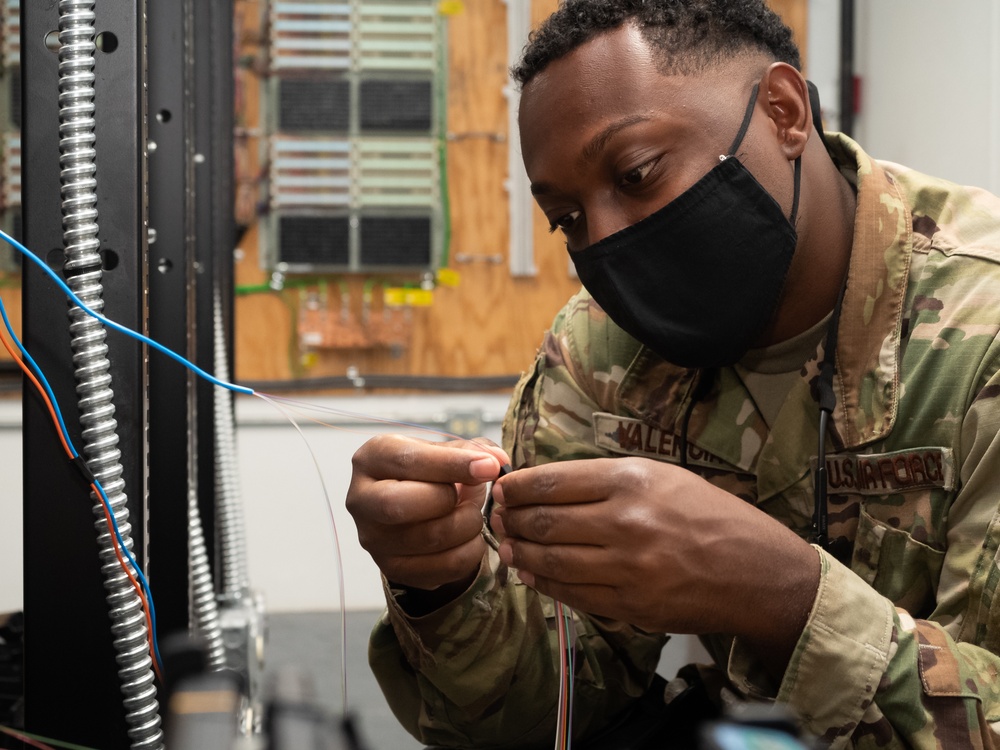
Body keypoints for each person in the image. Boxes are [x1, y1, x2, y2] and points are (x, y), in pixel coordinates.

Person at [346, 1, 1000, 747]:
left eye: (637, 173)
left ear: (784, 113)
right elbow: (547, 714)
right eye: (567, 219)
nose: (607, 240)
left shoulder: (983, 334)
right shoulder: (599, 349)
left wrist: (782, 596)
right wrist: (444, 580)